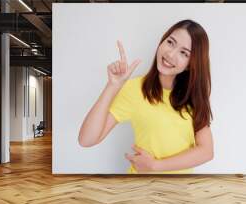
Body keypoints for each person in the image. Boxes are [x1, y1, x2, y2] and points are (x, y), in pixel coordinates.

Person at [78, 19, 214, 174]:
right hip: (141, 189)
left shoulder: (194, 97)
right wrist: (113, 86)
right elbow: (86, 140)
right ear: (162, 42)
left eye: (184, 53)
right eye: (170, 42)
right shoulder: (134, 89)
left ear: (191, 63)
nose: (170, 54)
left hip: (180, 192)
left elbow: (206, 151)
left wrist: (155, 166)